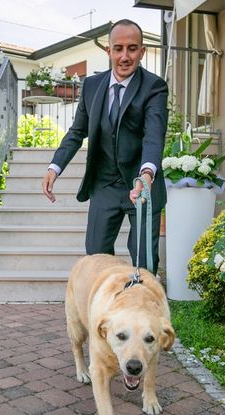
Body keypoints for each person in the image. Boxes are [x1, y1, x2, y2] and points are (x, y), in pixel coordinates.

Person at [41, 19, 168, 275]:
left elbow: (153, 136)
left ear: (142, 52)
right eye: (118, 48)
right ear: (108, 51)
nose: (124, 56)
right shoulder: (91, 86)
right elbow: (77, 132)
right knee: (96, 257)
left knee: (145, 264)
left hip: (141, 185)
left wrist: (146, 174)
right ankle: (106, 310)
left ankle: (143, 311)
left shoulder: (154, 87)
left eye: (132, 48)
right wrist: (55, 167)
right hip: (105, 184)